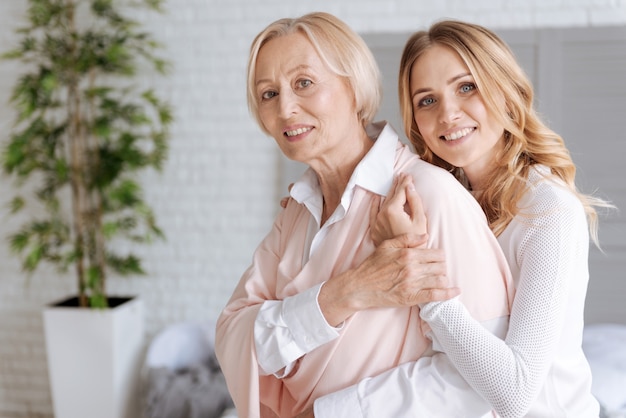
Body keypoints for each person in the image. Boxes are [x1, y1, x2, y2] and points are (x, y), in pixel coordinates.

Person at [214, 12, 515, 418]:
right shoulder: (297, 213)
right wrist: (346, 293)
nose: (285, 108)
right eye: (268, 94)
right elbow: (234, 335)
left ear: (353, 87)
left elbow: (476, 384)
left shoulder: (428, 195)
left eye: (304, 83)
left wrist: (324, 414)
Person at [312, 20, 612, 417]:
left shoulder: (548, 210)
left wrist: (426, 286)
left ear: (505, 90)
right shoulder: (446, 201)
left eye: (466, 87)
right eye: (427, 100)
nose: (448, 113)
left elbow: (515, 394)